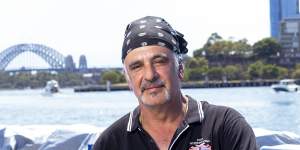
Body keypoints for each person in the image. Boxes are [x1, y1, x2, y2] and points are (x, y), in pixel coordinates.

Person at [93, 16, 257, 150]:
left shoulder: (225, 126)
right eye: (137, 66)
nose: (150, 75)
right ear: (128, 79)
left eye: (159, 62)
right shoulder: (110, 142)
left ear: (180, 70)